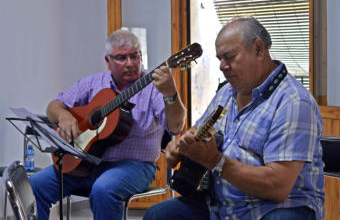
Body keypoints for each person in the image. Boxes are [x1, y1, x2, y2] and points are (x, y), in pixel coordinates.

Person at [144, 17, 324, 220]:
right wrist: (181, 147)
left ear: (258, 49)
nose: (222, 66)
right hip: (222, 205)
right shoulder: (227, 93)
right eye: (219, 58)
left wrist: (214, 160)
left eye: (229, 57)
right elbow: (200, 131)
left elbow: (278, 187)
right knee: (158, 215)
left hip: (276, 209)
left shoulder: (294, 102)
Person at [29, 29, 186, 220]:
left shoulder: (153, 88)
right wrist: (63, 117)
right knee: (35, 185)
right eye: (121, 58)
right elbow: (53, 106)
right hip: (85, 163)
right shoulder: (92, 83)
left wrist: (171, 94)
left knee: (103, 189)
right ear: (107, 60)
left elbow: (176, 127)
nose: (130, 63)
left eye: (134, 56)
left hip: (135, 166)